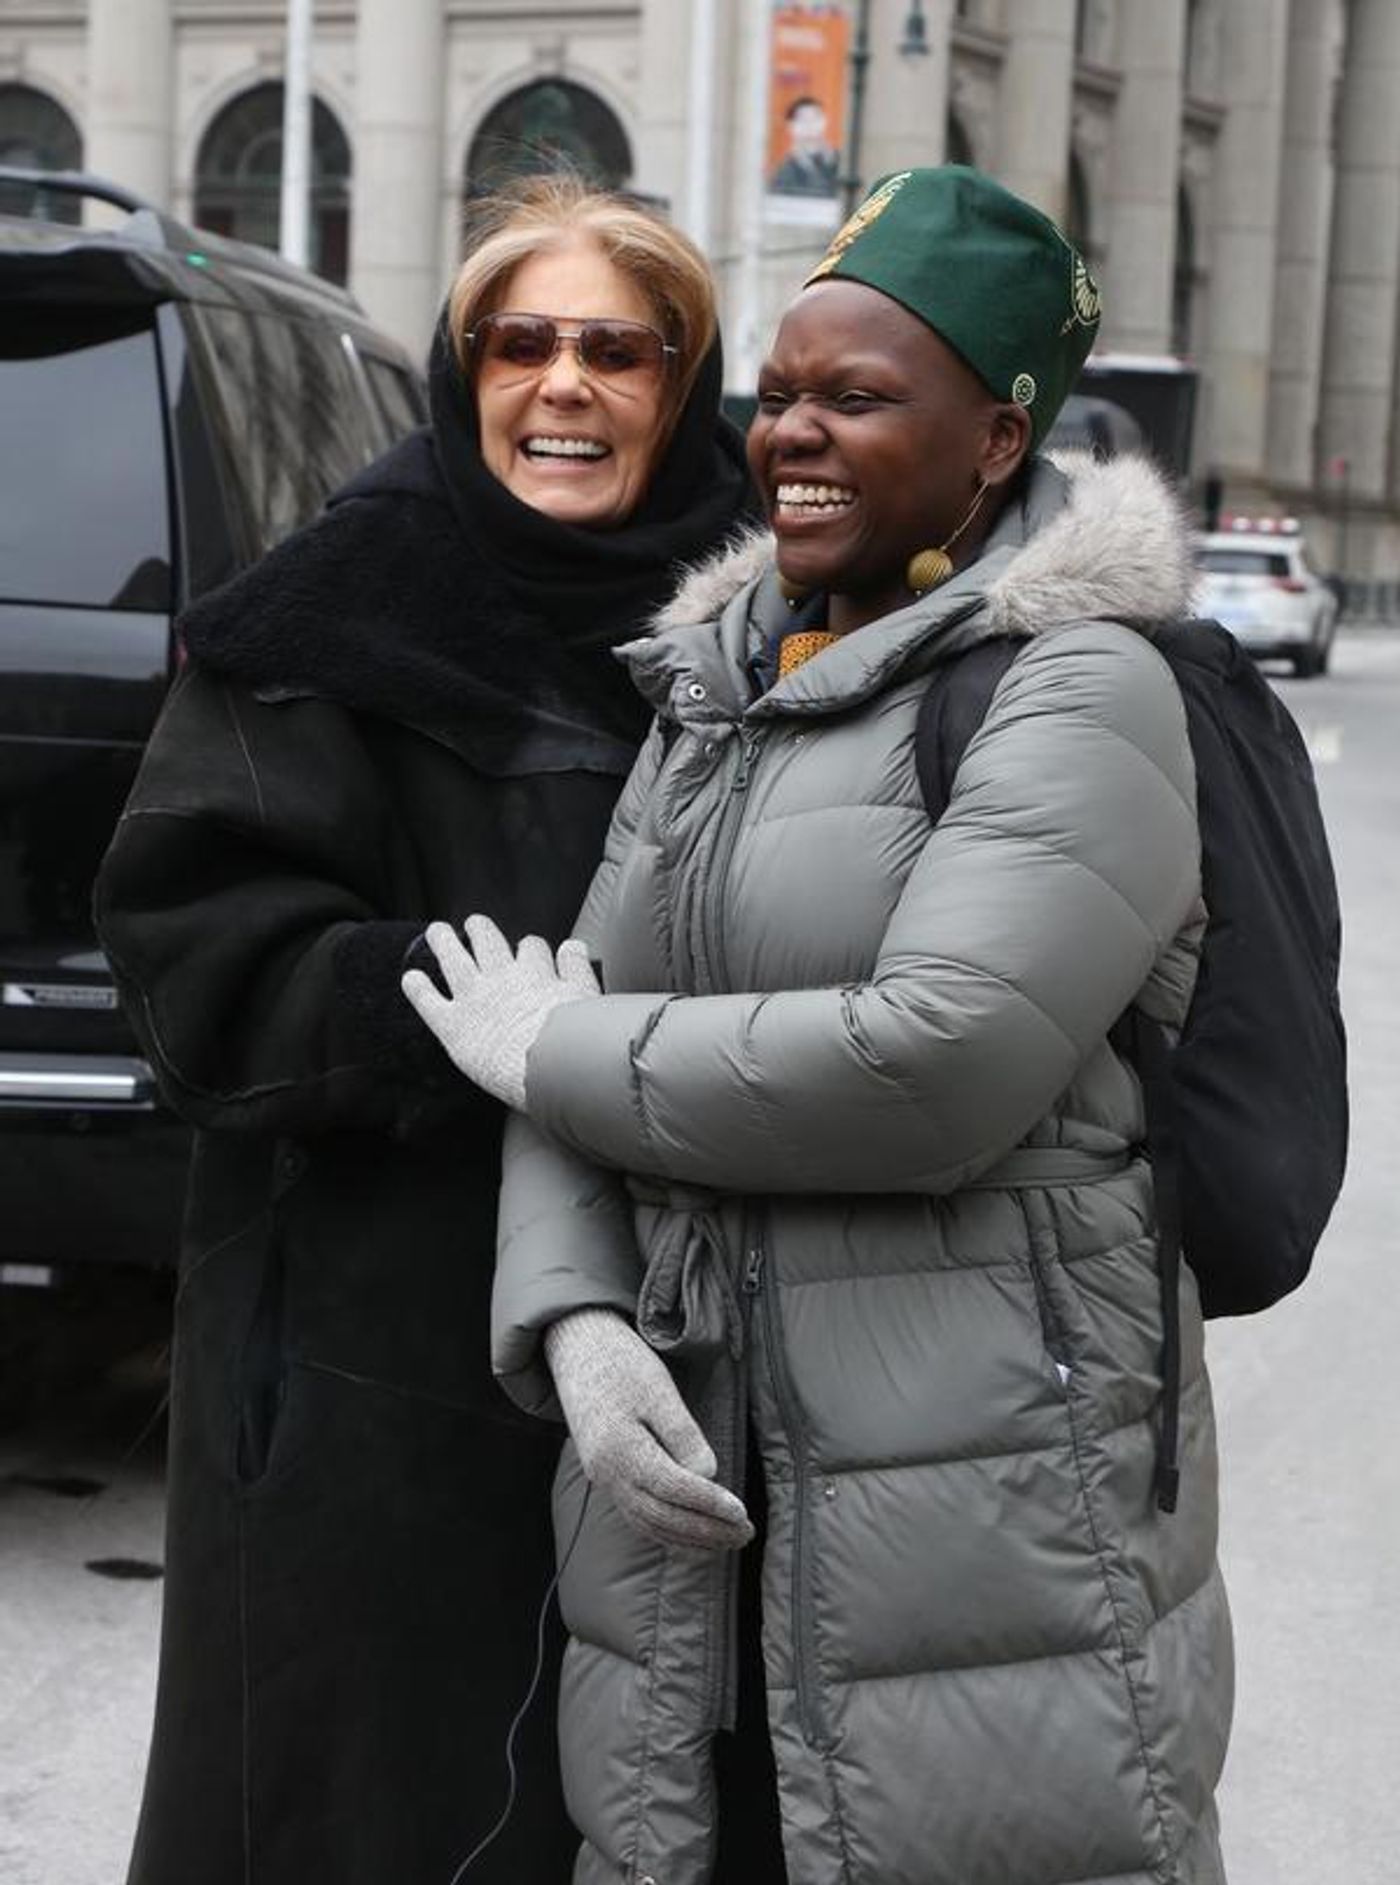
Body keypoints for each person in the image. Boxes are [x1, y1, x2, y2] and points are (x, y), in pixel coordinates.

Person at [404, 166, 1233, 1884]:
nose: (791, 433)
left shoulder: (1083, 686)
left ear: (996, 442)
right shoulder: (715, 682)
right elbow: (582, 1016)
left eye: (856, 398)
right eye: (777, 394)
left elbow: (932, 1067)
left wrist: (551, 1057)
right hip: (698, 1501)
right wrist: (574, 1321)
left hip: (988, 1518)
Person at [92, 172, 753, 1885]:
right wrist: (449, 1008)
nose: (564, 387)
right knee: (389, 1814)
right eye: (519, 345)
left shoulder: (779, 622)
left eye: (621, 352)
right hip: (377, 1377)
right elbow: (192, 955)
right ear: (464, 376)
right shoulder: (330, 618)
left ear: (687, 386)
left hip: (705, 1356)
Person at [769, 96, 841, 198]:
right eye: (803, 119)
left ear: (824, 121)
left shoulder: (840, 161)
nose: (809, 124)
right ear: (791, 126)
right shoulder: (784, 171)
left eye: (815, 118)